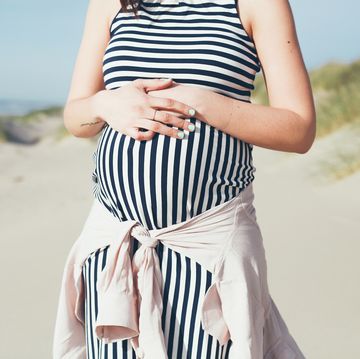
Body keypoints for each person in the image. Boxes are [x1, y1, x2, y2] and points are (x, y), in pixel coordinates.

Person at [55, 0, 316, 357]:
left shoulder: (258, 4)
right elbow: (74, 116)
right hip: (116, 251)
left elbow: (299, 129)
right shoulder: (110, 4)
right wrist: (104, 104)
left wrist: (202, 102)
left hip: (207, 255)